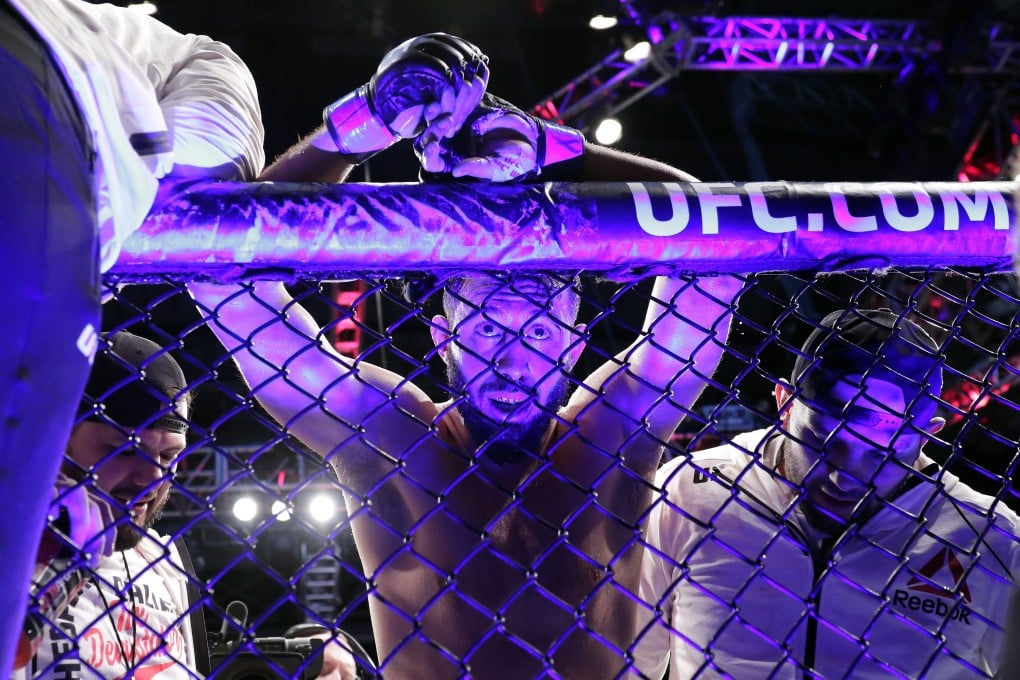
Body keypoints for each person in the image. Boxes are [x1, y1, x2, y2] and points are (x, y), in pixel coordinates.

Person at [190, 32, 744, 678]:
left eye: (539, 334)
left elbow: (717, 244)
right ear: (442, 336)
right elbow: (220, 271)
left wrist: (555, 149)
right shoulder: (394, 440)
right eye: (485, 329)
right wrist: (361, 127)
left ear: (575, 342)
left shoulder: (611, 438)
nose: (513, 361)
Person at [1, 1, 264, 673]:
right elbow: (236, 218)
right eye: (118, 447)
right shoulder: (181, 87)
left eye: (167, 454)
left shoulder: (165, 563)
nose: (148, 477)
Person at [634, 308, 1020, 679]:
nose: (844, 478)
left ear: (926, 436)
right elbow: (629, 664)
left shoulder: (991, 539)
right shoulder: (690, 491)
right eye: (824, 442)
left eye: (881, 455)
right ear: (785, 403)